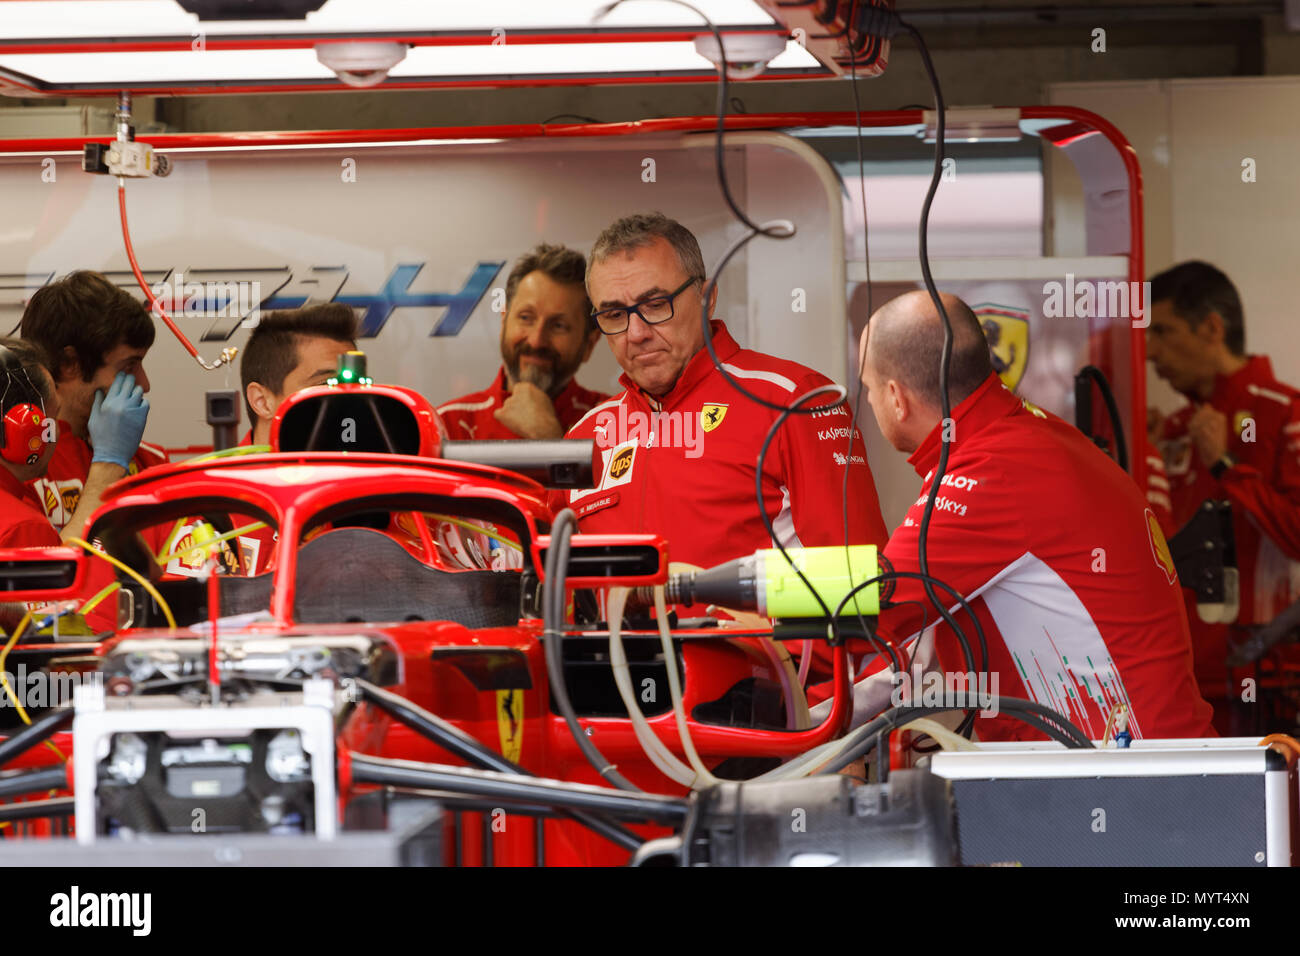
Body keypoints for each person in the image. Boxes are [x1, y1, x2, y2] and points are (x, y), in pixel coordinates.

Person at [828, 289, 1213, 742]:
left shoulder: (992, 467)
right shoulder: (1020, 436)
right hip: (1139, 758)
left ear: (896, 397)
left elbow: (878, 594)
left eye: (868, 389)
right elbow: (918, 642)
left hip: (1128, 774)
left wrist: (754, 587)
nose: (867, 404)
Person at [560, 212, 888, 569]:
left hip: (756, 629)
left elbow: (864, 583)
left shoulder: (796, 401)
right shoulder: (583, 437)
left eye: (655, 305)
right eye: (614, 315)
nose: (636, 332)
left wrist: (767, 621)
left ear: (707, 298)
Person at [1147, 261, 1300, 728]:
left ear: (1212, 328)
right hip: (1184, 679)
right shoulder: (1169, 430)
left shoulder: (1285, 413)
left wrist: (1226, 466)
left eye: (1163, 331)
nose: (1151, 352)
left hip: (1274, 681)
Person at [19, 271, 157, 541]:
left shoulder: (150, 462)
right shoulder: (22, 466)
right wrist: (108, 466)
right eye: (129, 366)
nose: (144, 383)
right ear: (70, 363)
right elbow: (49, 576)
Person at [438, 243, 608, 440]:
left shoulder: (618, 424)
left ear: (590, 344)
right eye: (526, 318)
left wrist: (549, 437)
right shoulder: (446, 426)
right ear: (504, 320)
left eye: (559, 325)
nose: (536, 341)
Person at [241, 303, 360, 446]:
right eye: (327, 384)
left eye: (356, 387)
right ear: (262, 402)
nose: (350, 401)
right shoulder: (215, 469)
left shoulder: (379, 466)